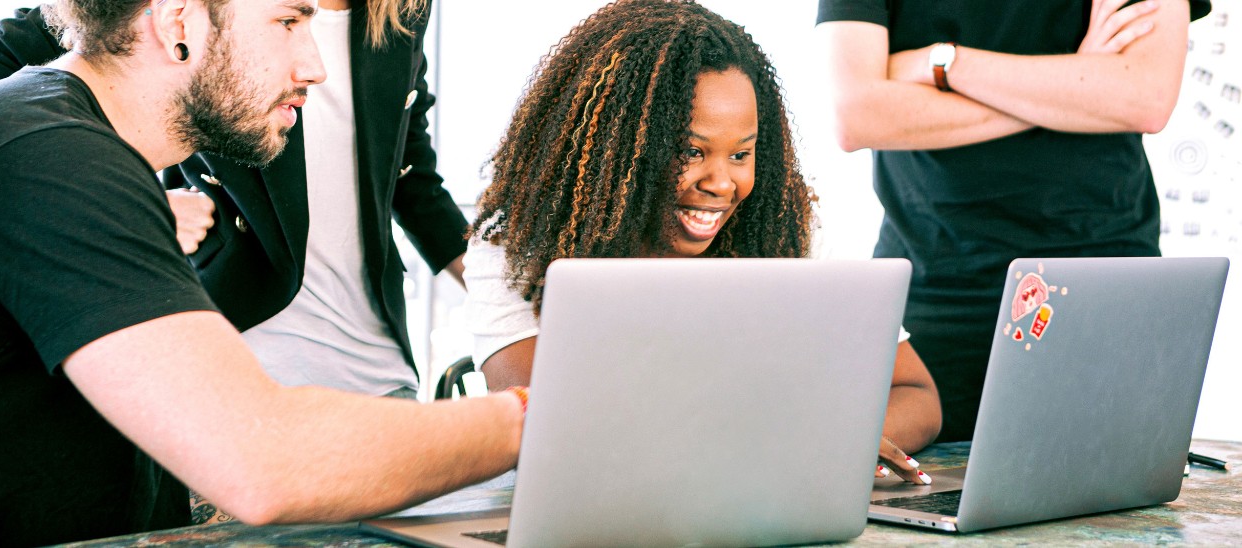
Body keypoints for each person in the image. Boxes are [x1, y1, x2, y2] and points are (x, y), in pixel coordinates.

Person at [0, 0, 522, 545]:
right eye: (287, 21)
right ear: (178, 21)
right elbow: (261, 462)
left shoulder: (72, 144)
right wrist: (531, 415)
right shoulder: (49, 157)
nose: (317, 68)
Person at [462, 0, 941, 482]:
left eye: (740, 154)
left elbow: (917, 397)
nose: (721, 183)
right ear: (622, 146)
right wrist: (785, 436)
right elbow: (546, 429)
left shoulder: (784, 227)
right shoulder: (518, 242)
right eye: (691, 150)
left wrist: (836, 437)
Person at [0, 0, 469, 399]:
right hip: (236, 345)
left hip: (378, 364)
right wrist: (130, 199)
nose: (314, 68)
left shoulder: (401, 9)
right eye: (289, 21)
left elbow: (409, 170)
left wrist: (507, 286)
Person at [814, 0, 1213, 442]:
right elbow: (856, 114)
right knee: (901, 500)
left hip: (1100, 285)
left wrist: (943, 63)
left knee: (1113, 496)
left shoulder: (943, 63)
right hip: (933, 298)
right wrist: (1075, 81)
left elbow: (1144, 98)